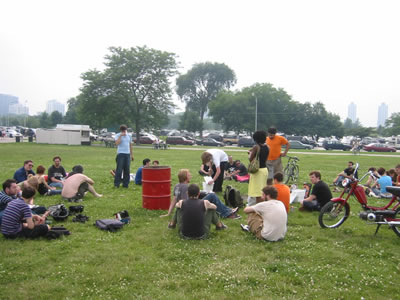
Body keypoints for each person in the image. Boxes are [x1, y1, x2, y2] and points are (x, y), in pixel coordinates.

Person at [161, 169, 240, 221]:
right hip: (191, 208)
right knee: (212, 196)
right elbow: (188, 201)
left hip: (188, 208)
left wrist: (169, 213)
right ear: (185, 177)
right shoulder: (185, 187)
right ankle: (228, 213)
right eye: (189, 175)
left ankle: (228, 210)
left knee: (207, 194)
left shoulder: (177, 186)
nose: (190, 176)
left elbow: (174, 199)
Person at [248, 131, 270, 204]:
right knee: (262, 190)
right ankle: (263, 205)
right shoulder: (267, 147)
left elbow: (250, 159)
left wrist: (249, 153)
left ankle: (259, 208)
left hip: (258, 171)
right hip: (264, 170)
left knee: (258, 193)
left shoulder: (256, 147)